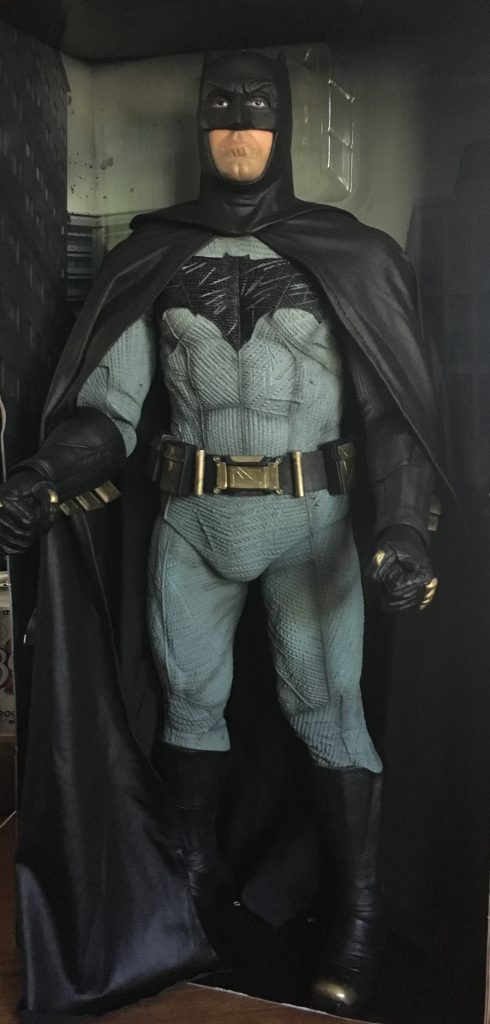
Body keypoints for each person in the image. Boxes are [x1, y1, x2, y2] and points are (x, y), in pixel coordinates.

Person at [2, 50, 446, 1020]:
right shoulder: (150, 257)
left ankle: (356, 917)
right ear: (199, 120)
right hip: (191, 521)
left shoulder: (350, 254)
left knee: (329, 714)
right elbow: (108, 410)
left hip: (310, 526)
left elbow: (390, 413)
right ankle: (191, 883)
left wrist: (404, 523)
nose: (238, 121)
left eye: (256, 104)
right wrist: (44, 472)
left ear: (285, 119)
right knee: (188, 706)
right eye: (221, 104)